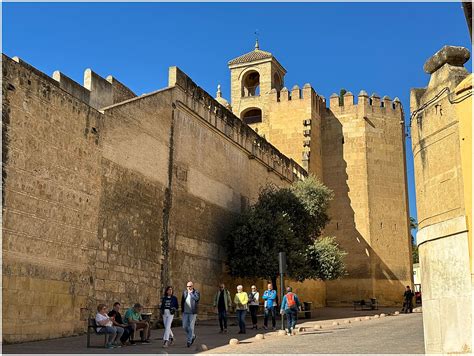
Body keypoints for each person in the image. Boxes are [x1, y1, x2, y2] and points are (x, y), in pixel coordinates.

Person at [181, 281, 200, 347]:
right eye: (187, 286)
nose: (188, 288)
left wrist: (191, 293)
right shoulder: (185, 292)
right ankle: (193, 336)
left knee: (191, 327)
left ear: (192, 286)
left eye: (190, 286)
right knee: (184, 326)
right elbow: (182, 301)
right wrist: (182, 310)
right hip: (185, 312)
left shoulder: (196, 292)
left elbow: (197, 298)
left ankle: (189, 341)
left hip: (192, 312)